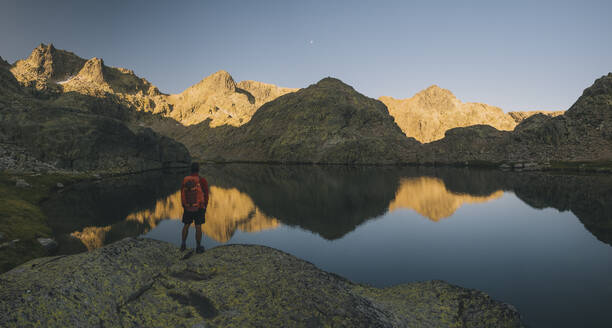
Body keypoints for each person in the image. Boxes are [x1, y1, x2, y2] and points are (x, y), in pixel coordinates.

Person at [180, 162, 209, 253]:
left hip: (188, 207)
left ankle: (183, 244)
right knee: (198, 226)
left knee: (186, 225)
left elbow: (181, 193)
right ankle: (198, 247)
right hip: (199, 207)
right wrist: (205, 206)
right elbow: (206, 194)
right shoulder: (202, 180)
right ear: (198, 169)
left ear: (191, 169)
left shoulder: (185, 180)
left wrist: (184, 205)